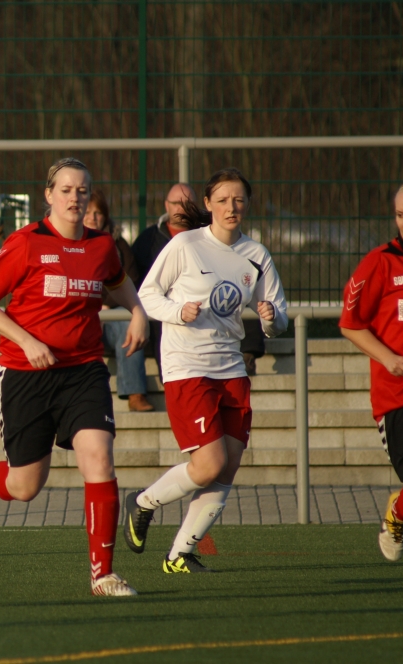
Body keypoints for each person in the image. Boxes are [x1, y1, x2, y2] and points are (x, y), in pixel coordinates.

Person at [0, 157, 149, 597]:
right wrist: (26, 341)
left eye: (82, 190)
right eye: (65, 190)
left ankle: (102, 575)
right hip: (25, 374)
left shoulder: (102, 245)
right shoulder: (26, 243)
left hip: (83, 371)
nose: (74, 198)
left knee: (99, 459)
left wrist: (137, 310)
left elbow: (117, 281)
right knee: (25, 486)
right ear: (48, 195)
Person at [125, 168, 288, 573]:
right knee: (209, 464)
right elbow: (147, 295)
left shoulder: (257, 255)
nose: (232, 207)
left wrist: (270, 318)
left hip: (230, 367)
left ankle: (179, 554)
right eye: (223, 200)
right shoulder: (186, 245)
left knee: (228, 465)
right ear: (209, 204)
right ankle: (143, 502)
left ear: (247, 205)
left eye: (239, 200)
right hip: (187, 366)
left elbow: (280, 318)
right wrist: (177, 311)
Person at [339, 176, 403, 562]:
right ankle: (399, 511)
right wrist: (389, 358)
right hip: (401, 396)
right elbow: (350, 324)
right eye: (400, 214)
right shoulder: (381, 262)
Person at [132, 183, 267, 376]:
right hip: (174, 319)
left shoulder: (216, 235)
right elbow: (141, 285)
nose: (182, 209)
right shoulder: (149, 239)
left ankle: (248, 355)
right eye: (177, 203)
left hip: (218, 320)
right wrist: (176, 309)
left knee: (238, 296)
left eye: (187, 204)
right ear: (166, 205)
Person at [84, 191, 153, 412]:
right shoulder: (71, 244)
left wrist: (106, 306)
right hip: (84, 316)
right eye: (88, 212)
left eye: (98, 213)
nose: (93, 218)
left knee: (126, 326)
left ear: (105, 216)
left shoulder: (118, 245)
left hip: (111, 318)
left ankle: (135, 394)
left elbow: (130, 280)